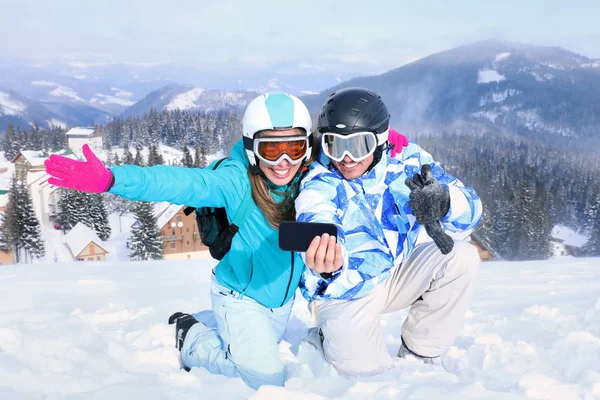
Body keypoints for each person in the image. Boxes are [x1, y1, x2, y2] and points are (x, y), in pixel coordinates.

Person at [43, 92, 315, 389]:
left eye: (294, 148)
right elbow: (175, 182)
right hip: (241, 298)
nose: (284, 162)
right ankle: (191, 338)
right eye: (271, 150)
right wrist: (112, 179)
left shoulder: (309, 181)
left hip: (281, 303)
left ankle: (229, 330)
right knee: (266, 378)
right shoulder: (234, 183)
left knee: (264, 350)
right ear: (252, 148)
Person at [295, 87, 483, 375]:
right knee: (367, 378)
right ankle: (325, 335)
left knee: (461, 258)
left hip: (394, 274)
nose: (345, 158)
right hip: (345, 289)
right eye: (334, 145)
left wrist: (445, 200)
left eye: (358, 146)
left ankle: (420, 352)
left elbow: (473, 209)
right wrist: (325, 249)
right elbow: (314, 214)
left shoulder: (408, 163)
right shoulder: (320, 181)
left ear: (380, 141)